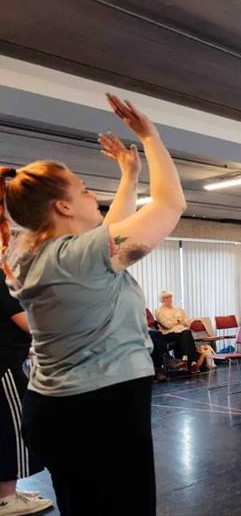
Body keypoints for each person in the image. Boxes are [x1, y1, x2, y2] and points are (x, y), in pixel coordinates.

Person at [3, 94, 186, 515]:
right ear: (63, 206)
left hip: (56, 409)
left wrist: (129, 173)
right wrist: (151, 138)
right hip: (100, 410)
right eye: (84, 190)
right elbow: (171, 204)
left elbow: (107, 229)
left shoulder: (33, 251)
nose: (93, 197)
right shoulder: (74, 258)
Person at [0, 281, 53, 516]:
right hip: (4, 367)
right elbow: (31, 324)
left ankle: (7, 493)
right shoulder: (2, 280)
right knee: (12, 430)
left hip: (8, 360)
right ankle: (6, 498)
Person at [154, 291, 200, 374]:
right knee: (186, 333)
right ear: (162, 300)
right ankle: (193, 362)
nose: (169, 299)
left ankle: (185, 359)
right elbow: (167, 325)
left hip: (182, 332)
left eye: (170, 297)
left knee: (186, 332)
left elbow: (186, 322)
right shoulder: (159, 311)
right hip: (168, 334)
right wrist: (178, 320)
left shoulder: (179, 310)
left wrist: (180, 321)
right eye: (166, 298)